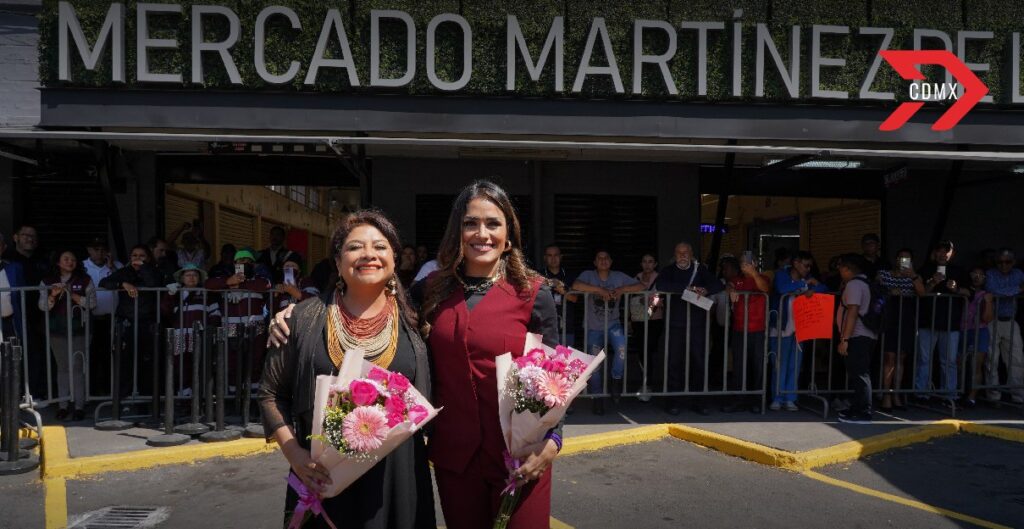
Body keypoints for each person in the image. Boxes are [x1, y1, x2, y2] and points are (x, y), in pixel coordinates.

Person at [259, 210, 436, 528]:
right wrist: (297, 458)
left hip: (398, 477)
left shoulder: (417, 319)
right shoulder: (302, 318)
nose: (369, 254)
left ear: (394, 259)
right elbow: (271, 394)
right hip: (321, 473)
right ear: (338, 262)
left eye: (380, 247)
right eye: (356, 247)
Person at [417, 181, 559, 529]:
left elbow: (559, 380)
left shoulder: (533, 292)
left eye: (493, 223)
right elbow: (374, 307)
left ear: (508, 234)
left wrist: (553, 442)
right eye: (471, 223)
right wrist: (295, 316)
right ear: (458, 232)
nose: (482, 233)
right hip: (456, 460)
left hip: (523, 458)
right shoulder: (429, 290)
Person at [653, 242, 723, 415]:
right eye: (679, 253)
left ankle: (699, 401)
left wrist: (705, 289)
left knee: (698, 363)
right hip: (675, 325)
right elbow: (662, 285)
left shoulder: (700, 270)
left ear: (691, 254)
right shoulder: (668, 270)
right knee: (674, 363)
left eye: (686, 253)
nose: (683, 256)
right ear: (675, 255)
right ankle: (673, 402)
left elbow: (717, 285)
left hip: (698, 326)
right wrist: (686, 289)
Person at [572, 250, 644, 415]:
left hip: (614, 324)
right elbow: (576, 285)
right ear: (595, 262)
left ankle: (616, 381)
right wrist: (598, 290)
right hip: (593, 327)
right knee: (595, 364)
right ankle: (597, 398)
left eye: (606, 258)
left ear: (611, 261)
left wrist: (621, 289)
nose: (603, 261)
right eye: (600, 258)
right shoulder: (588, 274)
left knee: (621, 350)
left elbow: (641, 286)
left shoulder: (618, 276)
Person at [205, 249, 272, 401]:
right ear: (234, 264)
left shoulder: (259, 278)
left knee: (255, 363)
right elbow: (208, 283)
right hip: (231, 328)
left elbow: (266, 285)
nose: (244, 264)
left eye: (248, 261)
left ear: (253, 264)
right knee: (232, 364)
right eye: (240, 261)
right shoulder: (225, 278)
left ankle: (253, 400)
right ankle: (233, 399)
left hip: (256, 327)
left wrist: (242, 283)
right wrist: (228, 282)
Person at [39, 249, 97, 420]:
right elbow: (43, 306)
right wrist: (52, 295)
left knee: (78, 367)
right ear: (58, 262)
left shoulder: (85, 280)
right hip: (57, 331)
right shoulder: (47, 281)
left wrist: (76, 297)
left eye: (72, 259)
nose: (70, 262)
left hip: (80, 329)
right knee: (62, 368)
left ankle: (79, 405)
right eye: (66, 259)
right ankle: (63, 405)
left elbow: (92, 303)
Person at [100, 245, 164, 398]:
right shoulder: (123, 272)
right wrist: (122, 284)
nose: (137, 258)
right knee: (125, 362)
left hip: (147, 322)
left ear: (148, 258)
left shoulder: (154, 272)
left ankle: (148, 398)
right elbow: (104, 282)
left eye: (141, 256)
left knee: (147, 362)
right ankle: (124, 398)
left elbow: (153, 284)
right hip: (127, 322)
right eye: (134, 255)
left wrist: (144, 268)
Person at [769, 251, 827, 411]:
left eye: (810, 266)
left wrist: (814, 286)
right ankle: (777, 397)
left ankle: (790, 398)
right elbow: (782, 288)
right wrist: (804, 285)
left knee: (795, 364)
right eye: (806, 265)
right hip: (781, 328)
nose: (808, 269)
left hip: (800, 329)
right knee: (779, 364)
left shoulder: (806, 279)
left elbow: (824, 288)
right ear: (796, 263)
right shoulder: (782, 274)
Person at [913, 240, 968, 404]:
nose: (943, 254)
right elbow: (920, 292)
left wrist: (956, 289)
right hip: (926, 322)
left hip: (951, 323)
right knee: (924, 359)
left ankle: (949, 395)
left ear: (952, 253)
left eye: (947, 251)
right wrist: (932, 282)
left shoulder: (959, 271)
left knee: (949, 361)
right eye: (940, 250)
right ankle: (920, 393)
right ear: (934, 253)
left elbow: (969, 292)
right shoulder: (925, 269)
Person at [2, 225, 49, 398]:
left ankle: (35, 393)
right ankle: (13, 395)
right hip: (13, 317)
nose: (30, 238)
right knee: (13, 356)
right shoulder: (7, 261)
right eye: (25, 235)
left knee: (37, 355)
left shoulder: (42, 260)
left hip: (38, 316)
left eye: (33, 236)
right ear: (15, 238)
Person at [721, 257, 770, 413]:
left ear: (754, 264)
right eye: (743, 263)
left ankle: (757, 400)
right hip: (739, 329)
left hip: (758, 329)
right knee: (739, 366)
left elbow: (765, 289)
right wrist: (731, 289)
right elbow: (728, 285)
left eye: (748, 263)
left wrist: (754, 274)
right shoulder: (736, 280)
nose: (745, 266)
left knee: (758, 366)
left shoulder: (763, 278)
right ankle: (738, 400)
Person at [162, 263, 221, 391]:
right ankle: (185, 399)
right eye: (188, 275)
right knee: (181, 368)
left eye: (195, 275)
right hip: (180, 337)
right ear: (182, 278)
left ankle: (200, 399)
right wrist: (170, 295)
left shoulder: (207, 294)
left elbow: (215, 314)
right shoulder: (176, 294)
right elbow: (165, 311)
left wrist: (209, 332)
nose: (191, 277)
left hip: (200, 337)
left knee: (200, 367)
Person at [875, 248, 921, 411]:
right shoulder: (884, 274)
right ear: (895, 259)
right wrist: (889, 292)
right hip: (889, 319)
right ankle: (886, 394)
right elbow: (875, 290)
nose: (903, 261)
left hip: (906, 319)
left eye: (907, 259)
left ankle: (897, 393)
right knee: (889, 357)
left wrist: (913, 275)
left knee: (901, 358)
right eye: (900, 258)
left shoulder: (914, 276)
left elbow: (922, 292)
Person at [835, 254, 878, 424]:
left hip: (857, 335)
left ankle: (863, 412)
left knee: (859, 373)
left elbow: (852, 312)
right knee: (858, 373)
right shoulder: (866, 282)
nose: (840, 272)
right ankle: (856, 408)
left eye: (841, 269)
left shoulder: (853, 285)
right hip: (866, 335)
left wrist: (844, 339)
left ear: (847, 269)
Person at [984, 248, 1024, 404]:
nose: (1003, 265)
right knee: (991, 360)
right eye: (1000, 262)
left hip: (1011, 321)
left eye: (1007, 262)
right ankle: (993, 396)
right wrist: (1018, 290)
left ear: (1013, 262)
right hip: (992, 320)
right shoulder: (991, 274)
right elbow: (993, 292)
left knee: (1017, 359)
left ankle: (1018, 396)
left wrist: (1008, 292)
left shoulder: (1019, 274)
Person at [962, 266, 994, 407]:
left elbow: (987, 319)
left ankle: (972, 397)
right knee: (959, 363)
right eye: (975, 273)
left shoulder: (987, 294)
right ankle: (958, 393)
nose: (977, 276)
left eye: (981, 274)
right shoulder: (964, 290)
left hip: (980, 330)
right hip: (962, 329)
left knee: (976, 364)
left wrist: (987, 301)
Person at [632, 252, 662, 400]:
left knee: (648, 350)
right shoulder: (635, 278)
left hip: (654, 320)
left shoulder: (660, 278)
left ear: (655, 264)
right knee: (641, 351)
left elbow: (660, 300)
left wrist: (649, 308)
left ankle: (647, 384)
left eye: (650, 261)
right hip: (638, 320)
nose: (647, 264)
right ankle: (644, 383)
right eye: (645, 261)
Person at [541, 244, 577, 347]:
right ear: (545, 258)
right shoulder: (538, 274)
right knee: (545, 361)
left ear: (561, 257)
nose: (553, 259)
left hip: (566, 327)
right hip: (544, 328)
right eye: (549, 255)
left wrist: (564, 290)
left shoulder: (569, 275)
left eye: (556, 255)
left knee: (566, 360)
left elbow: (574, 298)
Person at [0, 232, 25, 344]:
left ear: (3, 247)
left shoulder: (14, 268)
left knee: (13, 359)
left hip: (9, 323)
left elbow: (21, 297)